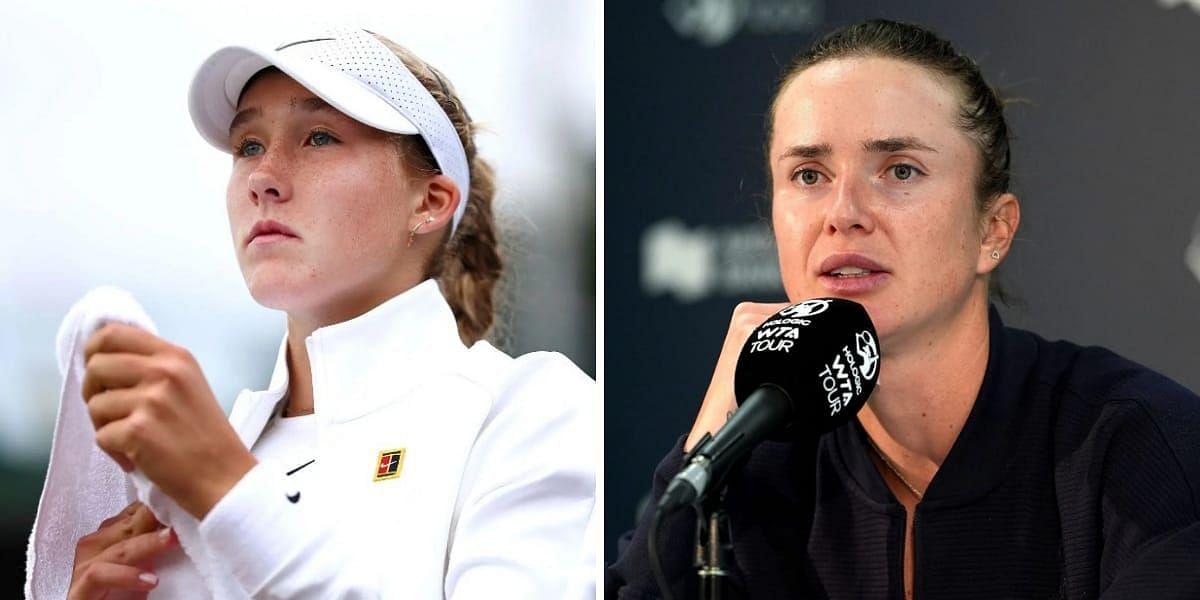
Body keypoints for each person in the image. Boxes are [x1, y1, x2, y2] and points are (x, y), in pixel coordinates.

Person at [606, 19, 1200, 600]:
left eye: (900, 170)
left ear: (993, 230)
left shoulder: (1140, 445)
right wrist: (711, 450)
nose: (843, 212)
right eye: (808, 174)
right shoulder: (762, 463)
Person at [63, 26, 595, 599]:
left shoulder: (532, 409)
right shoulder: (203, 457)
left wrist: (225, 494)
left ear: (431, 202)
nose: (263, 178)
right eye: (248, 147)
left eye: (318, 137)